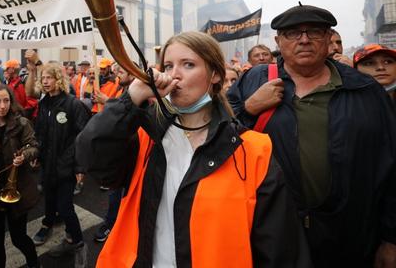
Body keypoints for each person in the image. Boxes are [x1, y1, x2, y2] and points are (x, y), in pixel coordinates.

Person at [78, 31, 310, 267]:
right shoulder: (145, 136)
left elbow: (280, 250)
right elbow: (92, 160)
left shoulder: (253, 150)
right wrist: (131, 98)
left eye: (188, 64)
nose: (174, 75)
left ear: (215, 76)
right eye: (168, 66)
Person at [228, 4, 396, 266]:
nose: (304, 39)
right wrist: (249, 109)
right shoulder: (253, 81)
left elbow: (391, 165)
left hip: (350, 239)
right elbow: (217, 141)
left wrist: (391, 238)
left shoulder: (365, 89)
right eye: (293, 33)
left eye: (314, 32)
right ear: (278, 41)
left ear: (329, 39)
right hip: (273, 237)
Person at [0, 85, 40, 268]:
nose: (2, 106)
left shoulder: (22, 124)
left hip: (17, 189)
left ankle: (34, 264)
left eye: (6, 101)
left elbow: (34, 146)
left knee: (19, 238)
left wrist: (24, 156)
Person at [31, 64, 89, 259]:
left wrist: (79, 166)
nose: (45, 81)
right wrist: (36, 155)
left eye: (49, 77)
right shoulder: (43, 103)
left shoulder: (73, 104)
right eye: (43, 78)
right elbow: (39, 133)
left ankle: (79, 243)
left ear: (59, 79)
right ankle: (47, 224)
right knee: (49, 198)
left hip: (67, 164)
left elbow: (82, 137)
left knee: (65, 207)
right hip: (48, 163)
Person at [93, 64, 135, 243]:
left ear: (133, 75)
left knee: (126, 193)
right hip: (117, 150)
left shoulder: (137, 92)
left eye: (122, 72)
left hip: (131, 152)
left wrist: (106, 101)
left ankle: (117, 225)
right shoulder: (120, 89)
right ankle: (112, 223)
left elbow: (128, 113)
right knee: (115, 191)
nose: (117, 74)